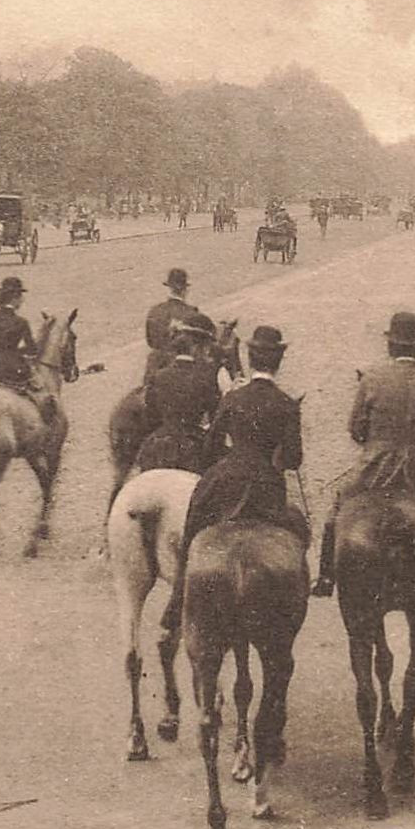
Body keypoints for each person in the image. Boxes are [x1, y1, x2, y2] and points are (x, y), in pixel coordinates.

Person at [311, 312, 415, 608]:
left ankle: (326, 577)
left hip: (376, 469)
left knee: (338, 508)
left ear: (391, 346)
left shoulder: (371, 380)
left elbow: (356, 431)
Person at [160, 325, 305, 634]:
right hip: (267, 483)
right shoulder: (286, 404)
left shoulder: (232, 398)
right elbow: (294, 459)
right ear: (278, 361)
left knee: (194, 522)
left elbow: (210, 447)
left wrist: (227, 460)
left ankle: (176, 601)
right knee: (298, 527)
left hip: (226, 477)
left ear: (250, 360)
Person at [134, 314, 221, 474]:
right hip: (191, 448)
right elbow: (216, 420)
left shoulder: (158, 376)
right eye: (204, 348)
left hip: (158, 446)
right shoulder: (206, 377)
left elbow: (150, 415)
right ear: (196, 348)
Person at [0, 277, 56, 423]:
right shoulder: (21, 322)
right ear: (14, 299)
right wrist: (16, 351)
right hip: (13, 366)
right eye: (21, 297)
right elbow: (32, 349)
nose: (22, 301)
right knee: (40, 391)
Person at [144, 268, 208, 381]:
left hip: (156, 367)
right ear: (185, 290)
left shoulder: (154, 311)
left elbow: (150, 342)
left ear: (169, 288)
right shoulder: (192, 313)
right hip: (183, 369)